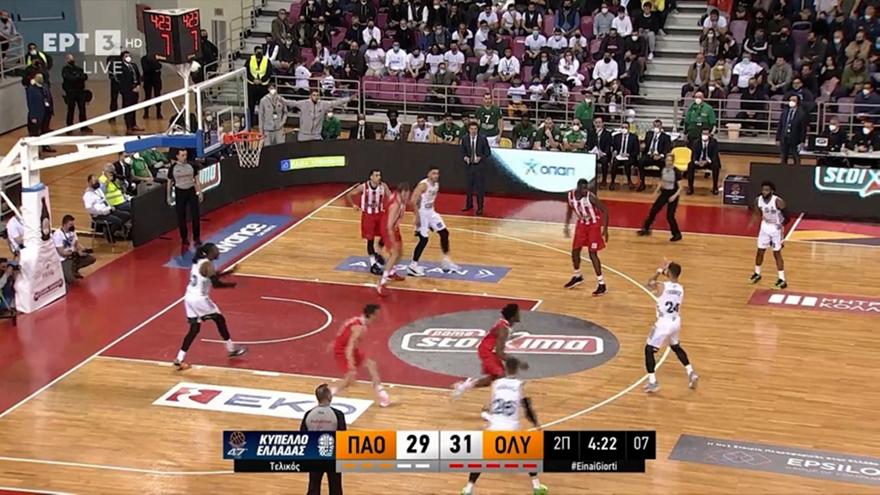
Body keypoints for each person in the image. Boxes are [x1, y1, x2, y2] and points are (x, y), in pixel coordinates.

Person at [460, 357, 547, 495]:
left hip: (494, 429)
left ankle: (468, 489)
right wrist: (536, 424)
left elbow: (493, 405)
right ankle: (537, 487)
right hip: (511, 430)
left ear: (505, 368)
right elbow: (527, 409)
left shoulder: (496, 384)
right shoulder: (520, 385)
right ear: (516, 369)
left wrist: (486, 415)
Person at [173, 243, 247, 370]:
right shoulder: (207, 265)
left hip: (189, 297)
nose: (218, 252)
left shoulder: (199, 262)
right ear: (210, 253)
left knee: (194, 329)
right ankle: (231, 349)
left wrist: (229, 272)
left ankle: (179, 359)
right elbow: (216, 284)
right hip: (199, 299)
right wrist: (232, 285)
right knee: (219, 319)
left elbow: (211, 275)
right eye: (216, 250)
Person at [643, 260, 699, 393]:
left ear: (667, 272)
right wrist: (667, 271)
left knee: (649, 350)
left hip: (664, 322)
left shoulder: (662, 286)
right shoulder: (681, 289)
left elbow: (649, 284)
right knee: (675, 346)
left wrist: (659, 271)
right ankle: (691, 372)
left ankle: (652, 382)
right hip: (675, 321)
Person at [453, 303, 522, 396]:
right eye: (517, 313)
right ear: (513, 317)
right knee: (501, 376)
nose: (519, 315)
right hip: (487, 351)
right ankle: (499, 400)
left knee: (493, 378)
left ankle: (464, 386)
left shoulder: (504, 325)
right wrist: (517, 362)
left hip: (489, 350)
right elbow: (500, 353)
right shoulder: (503, 328)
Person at [329, 304, 392, 406]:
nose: (379, 316)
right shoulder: (359, 328)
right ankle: (328, 395)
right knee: (349, 380)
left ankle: (382, 393)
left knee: (371, 364)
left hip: (347, 348)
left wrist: (335, 341)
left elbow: (343, 330)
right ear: (371, 315)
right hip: (343, 351)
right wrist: (351, 364)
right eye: (377, 314)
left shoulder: (357, 320)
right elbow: (350, 346)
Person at [407, 167, 460, 277]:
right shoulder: (423, 185)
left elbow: (430, 201)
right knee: (424, 240)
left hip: (431, 212)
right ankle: (412, 266)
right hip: (422, 213)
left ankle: (446, 261)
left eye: (437, 173)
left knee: (444, 233)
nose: (436, 175)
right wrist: (417, 217)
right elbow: (413, 200)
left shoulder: (436, 185)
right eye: (433, 173)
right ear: (428, 174)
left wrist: (432, 223)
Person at [563, 178, 610, 296]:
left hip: (594, 225)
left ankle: (602, 284)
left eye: (586, 188)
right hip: (582, 224)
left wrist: (605, 229)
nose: (585, 190)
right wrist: (566, 226)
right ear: (578, 188)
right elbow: (569, 211)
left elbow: (605, 210)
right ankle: (577, 275)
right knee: (575, 251)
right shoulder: (570, 196)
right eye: (583, 188)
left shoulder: (591, 197)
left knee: (592, 253)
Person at [300, 384, 346, 495]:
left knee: (313, 487)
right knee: (335, 488)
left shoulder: (309, 414)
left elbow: (302, 437)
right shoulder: (338, 414)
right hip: (333, 457)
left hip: (315, 456)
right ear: (329, 396)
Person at [346, 169, 390, 275]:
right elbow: (349, 195)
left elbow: (391, 197)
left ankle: (378, 253)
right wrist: (353, 205)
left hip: (380, 214)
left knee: (386, 234)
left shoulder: (383, 186)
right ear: (371, 177)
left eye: (379, 175)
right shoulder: (363, 187)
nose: (379, 177)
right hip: (368, 216)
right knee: (370, 240)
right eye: (376, 175)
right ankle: (373, 264)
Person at [748, 181, 789, 289]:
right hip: (765, 227)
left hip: (776, 228)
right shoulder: (758, 200)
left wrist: (780, 226)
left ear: (772, 191)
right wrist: (752, 221)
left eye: (767, 190)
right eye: (763, 190)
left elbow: (787, 217)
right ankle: (757, 273)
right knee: (760, 251)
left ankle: (782, 279)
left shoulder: (778, 201)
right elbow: (757, 212)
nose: (764, 192)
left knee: (776, 253)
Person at [637, 158, 683, 241]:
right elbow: (661, 181)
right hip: (664, 193)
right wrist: (656, 191)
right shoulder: (664, 169)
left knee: (670, 216)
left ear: (673, 161)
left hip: (673, 194)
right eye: (667, 160)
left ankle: (677, 234)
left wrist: (674, 196)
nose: (668, 162)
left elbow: (680, 187)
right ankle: (646, 229)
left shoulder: (676, 171)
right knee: (653, 210)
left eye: (670, 161)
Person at [167, 149, 202, 256]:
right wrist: (168, 196)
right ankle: (184, 238)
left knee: (195, 215)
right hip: (180, 192)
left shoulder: (192, 165)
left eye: (185, 155)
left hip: (191, 190)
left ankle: (197, 237)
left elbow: (197, 180)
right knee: (181, 217)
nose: (184, 157)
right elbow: (169, 182)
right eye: (182, 155)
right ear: (177, 156)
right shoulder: (173, 168)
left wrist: (199, 192)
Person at [377, 183, 411, 295]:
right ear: (401, 192)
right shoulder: (396, 205)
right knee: (395, 254)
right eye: (405, 193)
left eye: (408, 193)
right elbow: (389, 225)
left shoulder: (397, 196)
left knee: (400, 253)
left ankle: (392, 272)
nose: (407, 195)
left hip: (394, 227)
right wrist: (392, 239)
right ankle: (382, 283)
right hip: (388, 229)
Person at [286, 89, 353, 142]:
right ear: (310, 96)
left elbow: (335, 102)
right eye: (314, 95)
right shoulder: (303, 103)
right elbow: (291, 103)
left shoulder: (323, 104)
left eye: (317, 95)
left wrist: (349, 99)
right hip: (304, 135)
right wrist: (280, 99)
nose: (316, 97)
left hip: (316, 136)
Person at [83, 175, 130, 239]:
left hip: (108, 210)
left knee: (127, 215)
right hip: (99, 215)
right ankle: (109, 233)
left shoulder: (98, 190)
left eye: (97, 180)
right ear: (89, 183)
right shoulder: (88, 195)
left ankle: (113, 230)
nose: (97, 182)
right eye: (94, 181)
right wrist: (103, 211)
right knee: (118, 221)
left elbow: (104, 200)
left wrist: (110, 207)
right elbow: (90, 209)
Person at [52, 215, 96, 283]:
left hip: (73, 255)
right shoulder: (58, 234)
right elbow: (62, 252)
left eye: (73, 224)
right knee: (71, 280)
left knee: (91, 259)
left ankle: (74, 270)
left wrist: (82, 250)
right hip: (64, 259)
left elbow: (77, 244)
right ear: (64, 224)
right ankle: (66, 271)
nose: (72, 226)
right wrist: (75, 253)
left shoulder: (72, 231)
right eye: (70, 224)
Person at [460, 122, 490, 216]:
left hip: (479, 166)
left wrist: (480, 157)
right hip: (469, 166)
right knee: (469, 186)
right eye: (471, 129)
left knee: (479, 188)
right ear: (468, 130)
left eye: (475, 129)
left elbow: (488, 152)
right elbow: (462, 151)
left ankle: (480, 208)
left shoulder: (482, 139)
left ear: (478, 130)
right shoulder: (465, 139)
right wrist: (465, 157)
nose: (473, 131)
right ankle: (469, 205)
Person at [638, 119, 672, 192]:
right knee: (640, 162)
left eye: (658, 126)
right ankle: (642, 183)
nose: (656, 127)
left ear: (661, 126)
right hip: (649, 155)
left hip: (659, 156)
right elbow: (644, 144)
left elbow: (667, 149)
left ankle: (663, 185)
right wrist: (642, 146)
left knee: (664, 164)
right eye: (655, 126)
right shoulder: (649, 134)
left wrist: (660, 156)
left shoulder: (666, 137)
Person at [61, 54, 92, 131]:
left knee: (82, 110)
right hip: (70, 92)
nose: (71, 60)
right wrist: (78, 77)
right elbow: (70, 78)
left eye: (72, 59)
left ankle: (84, 126)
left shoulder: (79, 69)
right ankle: (69, 127)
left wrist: (77, 76)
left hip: (80, 92)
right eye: (69, 59)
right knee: (71, 109)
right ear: (67, 60)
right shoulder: (65, 70)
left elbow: (85, 77)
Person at [687, 129, 721, 195]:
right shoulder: (696, 142)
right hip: (699, 162)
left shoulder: (714, 142)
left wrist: (706, 162)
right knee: (690, 165)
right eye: (703, 133)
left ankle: (715, 187)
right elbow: (693, 155)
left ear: (709, 134)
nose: (704, 135)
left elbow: (715, 155)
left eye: (706, 133)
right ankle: (690, 188)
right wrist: (697, 162)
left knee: (716, 166)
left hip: (709, 162)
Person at [776, 95, 806, 166]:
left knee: (796, 158)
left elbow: (803, 129)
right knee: (783, 157)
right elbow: (780, 125)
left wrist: (802, 141)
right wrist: (778, 138)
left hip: (795, 140)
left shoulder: (801, 114)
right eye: (790, 100)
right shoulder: (785, 112)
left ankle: (797, 171)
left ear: (798, 102)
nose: (791, 102)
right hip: (784, 138)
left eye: (794, 100)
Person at [118, 51, 143, 133]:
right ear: (122, 58)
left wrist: (138, 85)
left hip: (135, 90)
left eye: (129, 56)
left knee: (133, 108)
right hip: (127, 91)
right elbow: (122, 81)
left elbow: (138, 76)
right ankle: (128, 127)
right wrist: (131, 88)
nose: (128, 57)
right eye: (126, 56)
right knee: (127, 109)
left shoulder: (134, 65)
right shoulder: (120, 67)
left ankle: (134, 125)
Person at [246, 47, 272, 123]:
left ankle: (263, 122)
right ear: (254, 52)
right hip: (252, 85)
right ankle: (251, 122)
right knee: (251, 105)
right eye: (258, 52)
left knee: (263, 105)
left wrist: (262, 80)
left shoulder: (266, 60)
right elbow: (246, 70)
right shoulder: (250, 59)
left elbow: (269, 72)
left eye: (261, 52)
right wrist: (253, 79)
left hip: (263, 86)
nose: (259, 53)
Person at [611, 124, 639, 190]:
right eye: (623, 127)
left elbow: (636, 151)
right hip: (619, 156)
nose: (624, 129)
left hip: (629, 157)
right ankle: (612, 182)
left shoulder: (634, 137)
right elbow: (614, 147)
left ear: (629, 128)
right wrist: (615, 151)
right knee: (615, 163)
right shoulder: (616, 137)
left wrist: (628, 154)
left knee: (627, 164)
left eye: (626, 127)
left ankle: (629, 181)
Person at [140, 53, 163, 119]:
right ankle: (146, 113)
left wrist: (153, 67)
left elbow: (159, 66)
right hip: (148, 80)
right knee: (147, 96)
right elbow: (146, 69)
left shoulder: (157, 57)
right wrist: (154, 68)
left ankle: (158, 113)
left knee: (158, 96)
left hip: (157, 80)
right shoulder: (144, 59)